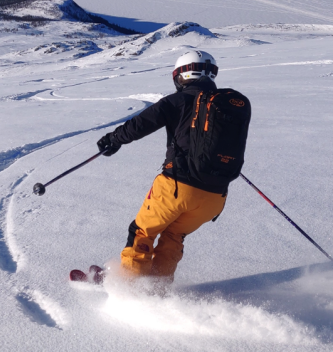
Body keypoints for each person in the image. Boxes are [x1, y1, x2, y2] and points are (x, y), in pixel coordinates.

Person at [96, 50, 250, 283]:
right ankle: (158, 290)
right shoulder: (225, 106)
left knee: (142, 233)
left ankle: (128, 287)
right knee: (174, 235)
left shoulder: (178, 100)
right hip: (215, 197)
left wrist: (113, 140)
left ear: (182, 75)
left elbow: (141, 124)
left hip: (177, 187)